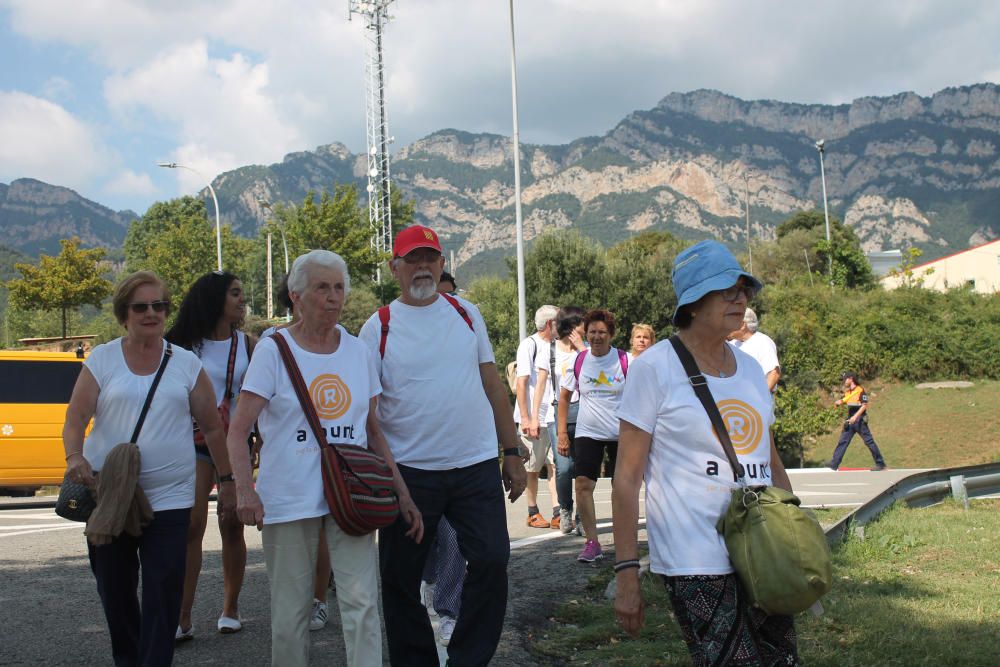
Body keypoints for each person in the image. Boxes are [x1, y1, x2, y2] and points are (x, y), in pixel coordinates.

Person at [226, 250, 423, 667]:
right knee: (290, 614)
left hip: (352, 496)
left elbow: (372, 430)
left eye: (338, 287)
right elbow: (239, 428)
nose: (334, 297)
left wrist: (402, 494)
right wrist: (245, 490)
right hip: (288, 498)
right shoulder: (272, 349)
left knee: (363, 604)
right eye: (322, 288)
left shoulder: (357, 351)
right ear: (296, 295)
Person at [612, 239, 798, 666]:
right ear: (693, 304)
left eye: (744, 289)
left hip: (763, 545)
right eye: (726, 290)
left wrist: (795, 526)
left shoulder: (751, 369)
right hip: (694, 556)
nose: (741, 298)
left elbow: (769, 459)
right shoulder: (654, 368)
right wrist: (626, 573)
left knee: (780, 659)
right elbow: (625, 479)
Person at [357, 224, 526, 667]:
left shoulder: (467, 313)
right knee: (399, 578)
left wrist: (511, 452)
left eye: (430, 257)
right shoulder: (379, 326)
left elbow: (493, 384)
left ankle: (468, 659)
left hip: (474, 466)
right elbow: (368, 413)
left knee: (491, 560)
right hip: (410, 474)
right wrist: (385, 477)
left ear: (443, 263)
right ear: (395, 267)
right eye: (413, 259)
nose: (423, 266)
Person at [62, 270, 236, 667]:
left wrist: (228, 482)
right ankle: (128, 658)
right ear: (124, 313)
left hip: (171, 498)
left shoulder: (186, 364)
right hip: (111, 495)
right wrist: (75, 457)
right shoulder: (103, 358)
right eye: (141, 306)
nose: (152, 313)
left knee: (163, 589)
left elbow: (212, 426)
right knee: (115, 589)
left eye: (160, 306)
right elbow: (76, 417)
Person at [165, 271, 253, 638]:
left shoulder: (250, 344)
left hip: (236, 441)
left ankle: (230, 607)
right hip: (193, 441)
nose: (241, 300)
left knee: (232, 523)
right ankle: (182, 615)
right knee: (192, 526)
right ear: (215, 298)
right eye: (234, 294)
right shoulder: (182, 344)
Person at [558, 308, 627, 563]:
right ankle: (592, 542)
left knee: (621, 488)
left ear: (611, 334)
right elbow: (563, 398)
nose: (597, 337)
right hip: (589, 432)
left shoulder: (626, 360)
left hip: (621, 434)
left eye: (602, 332)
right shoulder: (577, 361)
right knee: (583, 485)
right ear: (585, 334)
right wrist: (562, 433)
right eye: (592, 332)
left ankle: (623, 540)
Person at [515, 305, 560, 529]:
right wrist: (526, 418)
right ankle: (532, 512)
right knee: (532, 467)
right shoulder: (529, 345)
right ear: (550, 324)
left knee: (555, 465)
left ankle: (558, 510)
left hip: (553, 416)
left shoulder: (557, 345)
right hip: (534, 418)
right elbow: (521, 383)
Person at [542, 306, 586, 535]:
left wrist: (581, 349)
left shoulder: (586, 351)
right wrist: (529, 417)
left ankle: (581, 515)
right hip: (555, 414)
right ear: (573, 324)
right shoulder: (550, 350)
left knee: (581, 467)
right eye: (583, 323)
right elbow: (540, 384)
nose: (586, 328)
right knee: (564, 467)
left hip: (584, 414)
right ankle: (565, 509)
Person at [827, 371, 887, 471]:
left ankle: (880, 464)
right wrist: (839, 403)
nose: (843, 381)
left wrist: (855, 417)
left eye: (845, 379)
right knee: (843, 441)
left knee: (869, 442)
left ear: (851, 379)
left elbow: (864, 405)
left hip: (859, 419)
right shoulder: (848, 392)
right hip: (850, 419)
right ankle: (834, 464)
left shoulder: (860, 390)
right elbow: (846, 400)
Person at [728, 307, 781, 392]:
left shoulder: (762, 342)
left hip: (757, 401)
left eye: (731, 322)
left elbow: (774, 373)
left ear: (742, 325)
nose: (727, 326)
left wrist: (761, 398)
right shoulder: (732, 344)